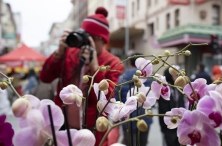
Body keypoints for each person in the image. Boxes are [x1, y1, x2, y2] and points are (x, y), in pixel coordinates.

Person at [39, 7, 124, 146]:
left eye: (90, 38)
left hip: (92, 131)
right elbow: (45, 77)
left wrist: (95, 68)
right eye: (83, 35)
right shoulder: (70, 53)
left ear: (101, 39)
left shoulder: (113, 62)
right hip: (62, 126)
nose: (84, 43)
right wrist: (59, 53)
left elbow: (108, 98)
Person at [114, 52, 153, 146]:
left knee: (129, 143)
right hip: (144, 117)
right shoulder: (149, 78)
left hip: (127, 117)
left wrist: (115, 119)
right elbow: (154, 97)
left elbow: (116, 100)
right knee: (142, 143)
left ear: (129, 63)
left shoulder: (121, 79)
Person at [158, 65, 185, 146]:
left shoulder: (178, 88)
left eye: (178, 75)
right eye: (175, 75)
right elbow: (163, 108)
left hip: (180, 123)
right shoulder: (164, 88)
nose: (177, 77)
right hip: (169, 124)